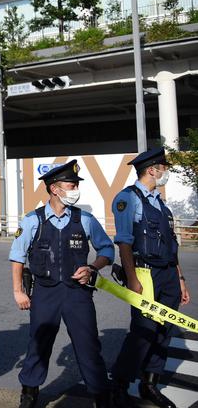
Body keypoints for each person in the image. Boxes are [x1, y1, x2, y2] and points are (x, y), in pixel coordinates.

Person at [10, 160, 115, 408]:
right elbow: (17, 256)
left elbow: (107, 250)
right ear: (55, 188)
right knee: (38, 343)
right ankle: (29, 392)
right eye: (71, 184)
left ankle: (101, 395)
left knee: (88, 344)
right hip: (45, 293)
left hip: (78, 295)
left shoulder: (85, 219)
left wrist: (92, 267)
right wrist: (18, 291)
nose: (76, 188)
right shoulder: (32, 221)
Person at [111, 147, 189, 408]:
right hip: (145, 273)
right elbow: (124, 242)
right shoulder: (128, 199)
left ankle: (149, 385)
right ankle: (119, 385)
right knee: (143, 331)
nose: (165, 172)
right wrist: (133, 279)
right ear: (152, 170)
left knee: (163, 332)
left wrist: (180, 279)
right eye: (164, 168)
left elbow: (171, 244)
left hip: (167, 274)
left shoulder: (159, 202)